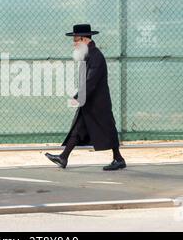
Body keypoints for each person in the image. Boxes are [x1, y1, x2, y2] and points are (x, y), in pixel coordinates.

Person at [45, 24, 126, 171]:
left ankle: (118, 159)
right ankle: (63, 158)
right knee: (78, 129)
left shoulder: (96, 56)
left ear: (84, 39)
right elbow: (86, 81)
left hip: (98, 103)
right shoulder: (87, 56)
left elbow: (91, 81)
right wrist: (79, 96)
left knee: (108, 128)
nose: (74, 43)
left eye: (76, 40)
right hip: (90, 101)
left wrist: (78, 97)